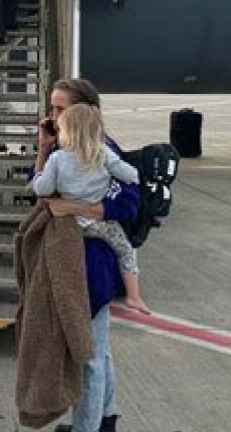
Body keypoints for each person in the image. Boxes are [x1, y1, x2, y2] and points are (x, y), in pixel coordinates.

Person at [33, 79, 140, 432]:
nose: (52, 116)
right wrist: (44, 149)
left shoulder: (99, 148)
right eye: (52, 108)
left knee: (87, 354)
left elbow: (129, 203)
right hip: (84, 256)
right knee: (99, 348)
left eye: (60, 109)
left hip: (89, 261)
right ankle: (102, 419)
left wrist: (73, 207)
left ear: (84, 112)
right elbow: (42, 192)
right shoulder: (65, 149)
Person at [32, 103, 150, 315]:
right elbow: (130, 174)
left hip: (68, 221)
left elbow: (43, 189)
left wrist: (38, 177)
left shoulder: (57, 158)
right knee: (125, 249)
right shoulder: (101, 152)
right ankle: (134, 296)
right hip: (99, 224)